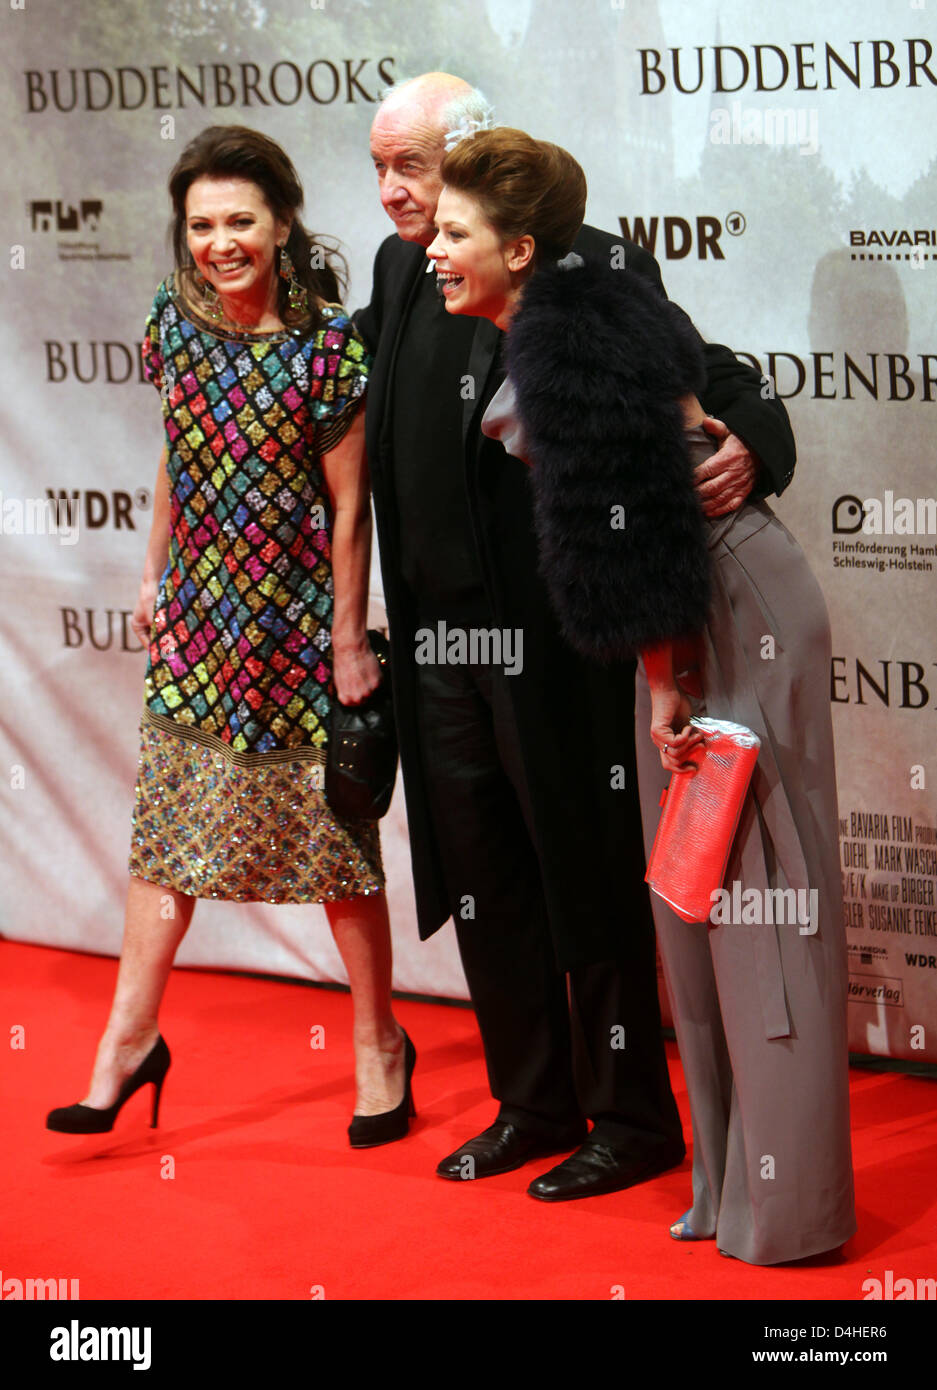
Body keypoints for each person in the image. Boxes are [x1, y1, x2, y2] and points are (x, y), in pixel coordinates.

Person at [356, 72, 797, 1201]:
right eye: (380, 169)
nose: (395, 194)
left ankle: (630, 1118)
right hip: (439, 646)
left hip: (552, 643)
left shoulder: (585, 264)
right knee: (483, 881)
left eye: (413, 166)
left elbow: (711, 385)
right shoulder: (403, 267)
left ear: (474, 155)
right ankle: (531, 1102)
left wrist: (751, 437)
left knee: (581, 874)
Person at [429, 125, 855, 1262]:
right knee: (693, 900)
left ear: (519, 248)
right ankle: (730, 1183)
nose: (430, 247)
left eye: (453, 231)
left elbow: (647, 534)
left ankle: (791, 1209)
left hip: (725, 611)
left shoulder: (567, 350)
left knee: (760, 902)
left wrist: (668, 681)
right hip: (687, 614)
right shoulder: (563, 314)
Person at [46, 125, 415, 1149]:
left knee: (335, 841)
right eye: (202, 224)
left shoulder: (330, 343)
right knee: (168, 836)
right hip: (201, 625)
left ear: (282, 222)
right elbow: (176, 453)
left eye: (240, 221)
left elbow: (351, 510)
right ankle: (128, 1040)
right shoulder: (175, 320)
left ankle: (379, 1043)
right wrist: (155, 570)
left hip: (298, 630)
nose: (220, 242)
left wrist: (350, 637)